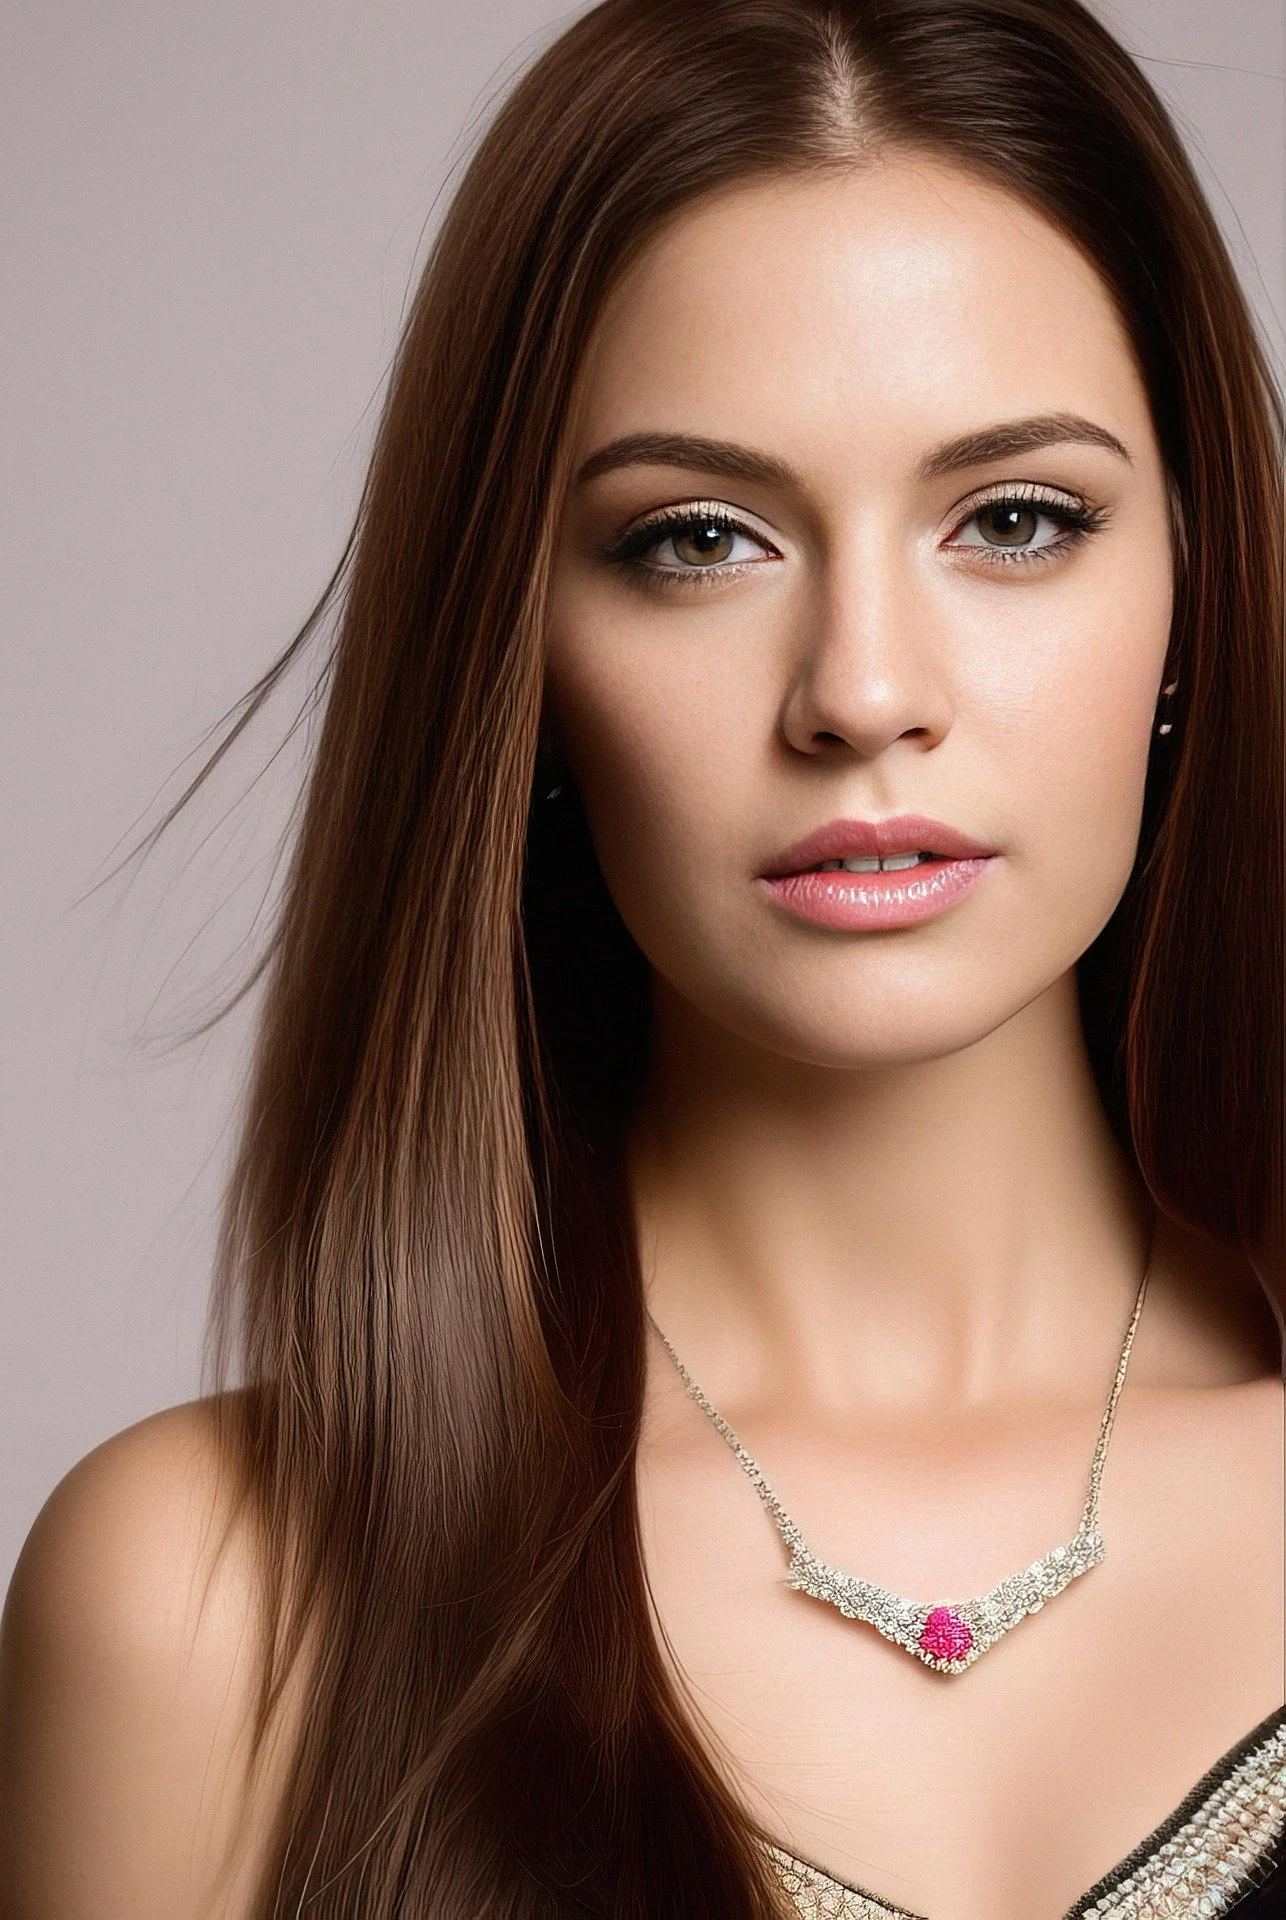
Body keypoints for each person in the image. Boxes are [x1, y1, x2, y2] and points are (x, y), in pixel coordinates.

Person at [0, 1, 1281, 1914]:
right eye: (696, 540)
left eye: (1014, 519)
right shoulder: (215, 1612)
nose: (862, 692)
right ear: (513, 655)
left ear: (1193, 587)